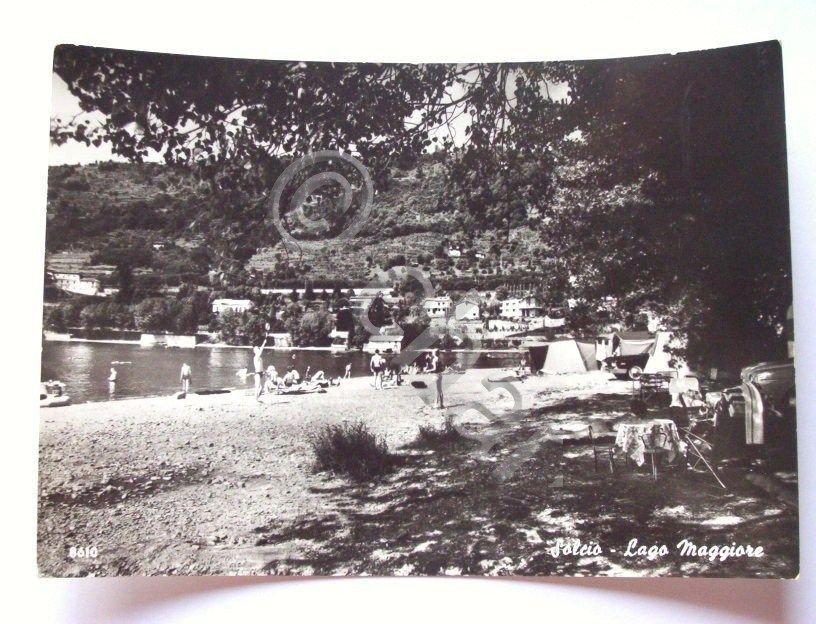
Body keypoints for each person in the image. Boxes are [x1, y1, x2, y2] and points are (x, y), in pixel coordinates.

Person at [252, 332, 269, 402]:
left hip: (261, 373)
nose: (258, 349)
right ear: (254, 351)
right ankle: (255, 400)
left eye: (258, 348)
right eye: (257, 349)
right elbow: (260, 352)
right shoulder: (256, 357)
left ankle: (257, 399)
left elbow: (261, 366)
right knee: (257, 387)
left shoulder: (260, 358)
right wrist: (264, 343)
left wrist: (265, 371)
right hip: (257, 374)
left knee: (261, 388)